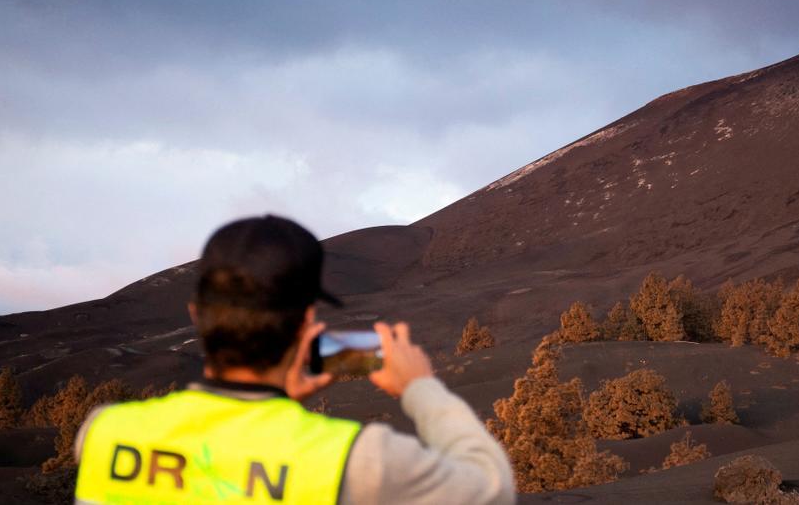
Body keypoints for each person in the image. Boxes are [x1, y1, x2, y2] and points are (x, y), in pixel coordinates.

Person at [72, 215, 515, 504]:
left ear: (197, 315)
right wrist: (421, 388)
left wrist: (278, 404)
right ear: (306, 322)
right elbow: (491, 487)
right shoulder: (358, 459)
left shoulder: (103, 433)